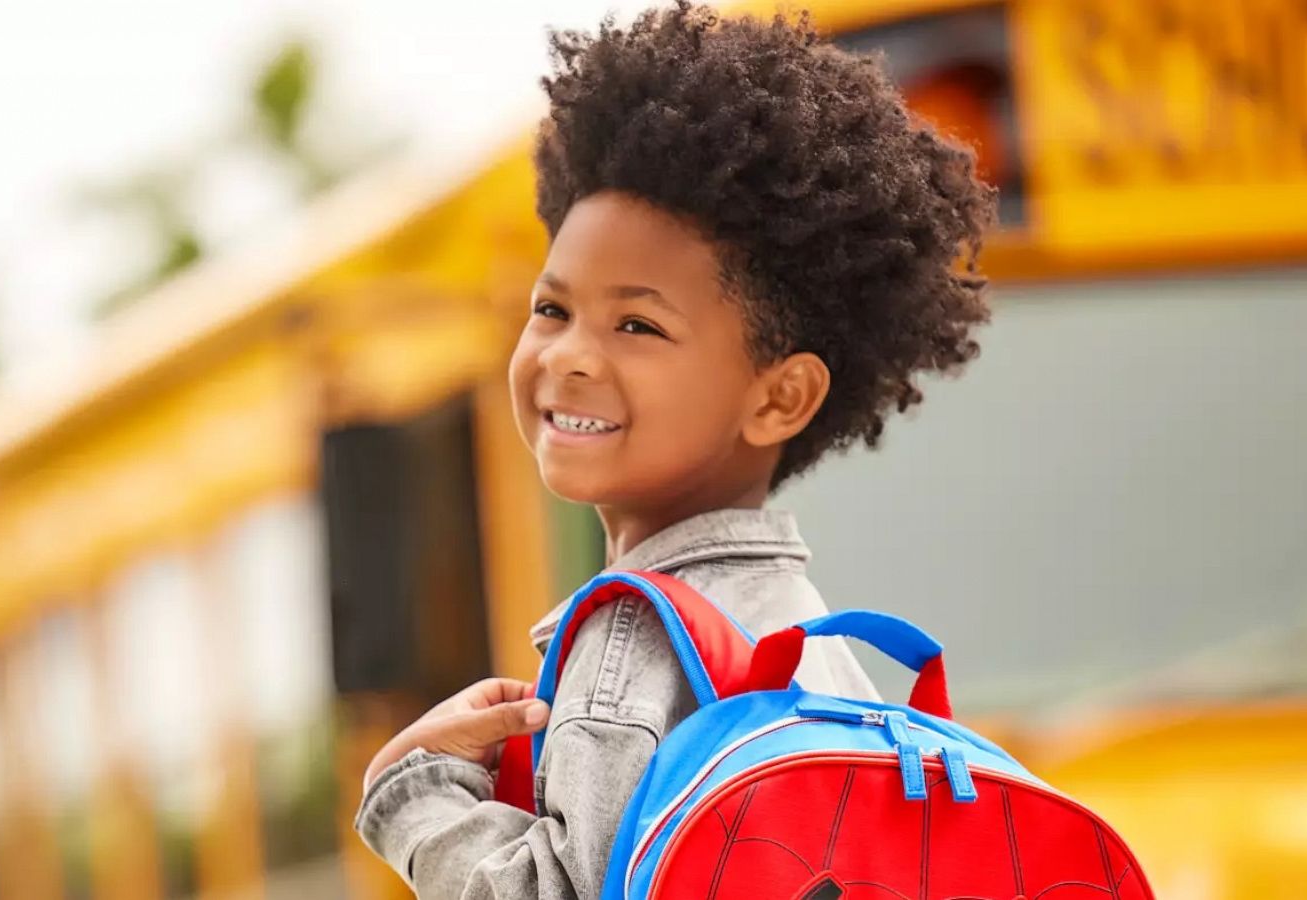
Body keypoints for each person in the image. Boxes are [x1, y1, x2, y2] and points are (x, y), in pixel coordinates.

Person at [354, 2, 993, 896]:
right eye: (551, 309)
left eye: (637, 324)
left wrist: (413, 792)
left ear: (781, 396)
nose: (570, 354)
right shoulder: (807, 636)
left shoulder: (637, 638)